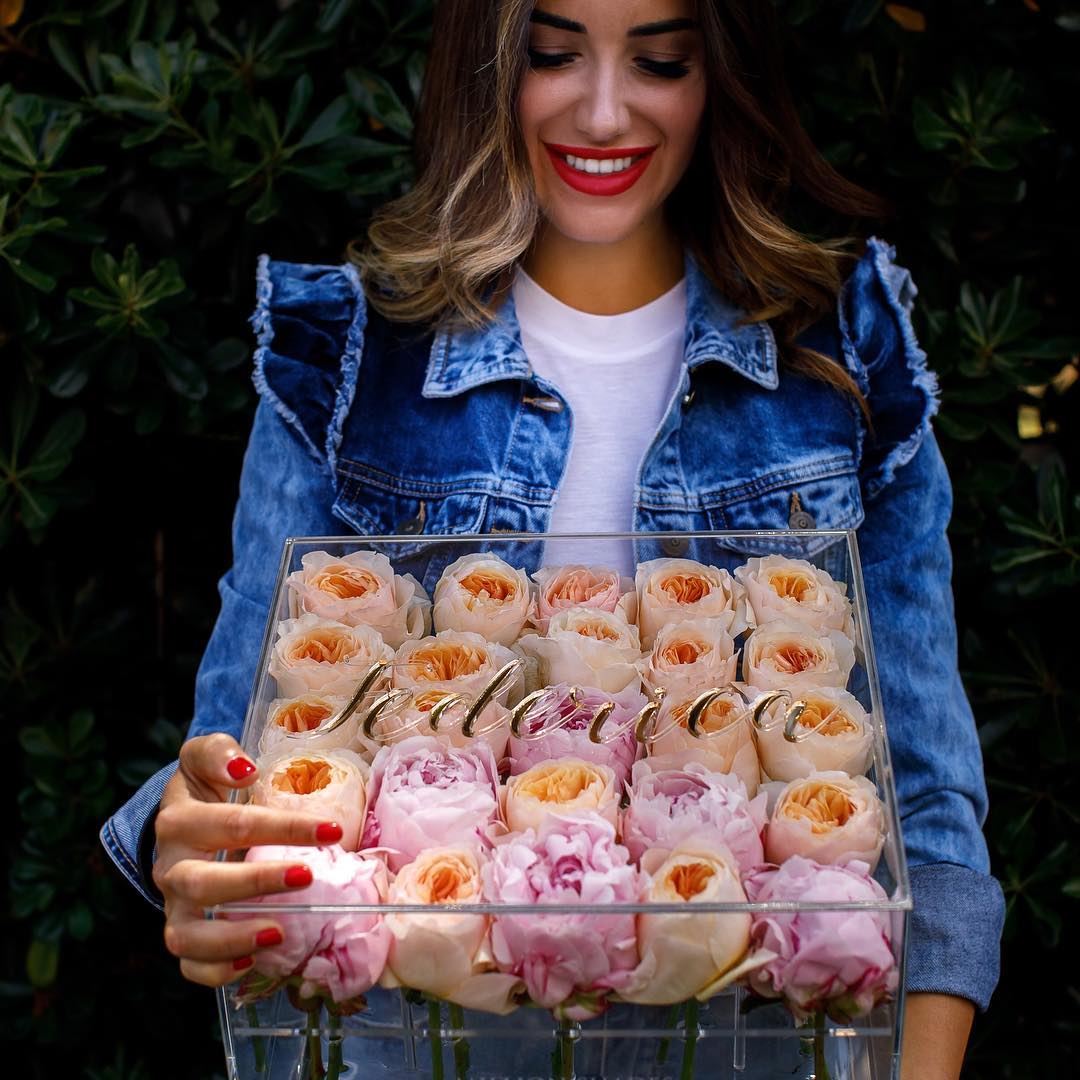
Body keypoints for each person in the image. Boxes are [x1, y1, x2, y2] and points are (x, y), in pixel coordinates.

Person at [99, 2, 1004, 1077]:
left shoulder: (845, 352)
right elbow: (236, 769)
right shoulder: (346, 362)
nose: (606, 109)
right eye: (553, 54)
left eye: (661, 59)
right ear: (484, 65)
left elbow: (927, 805)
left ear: (719, 72)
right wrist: (201, 848)